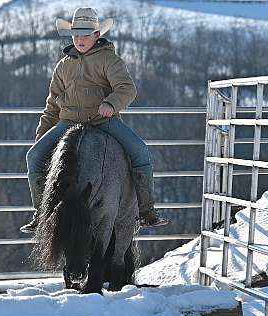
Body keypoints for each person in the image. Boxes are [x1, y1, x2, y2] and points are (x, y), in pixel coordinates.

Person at [20, 7, 169, 234]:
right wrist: (42, 137)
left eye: (86, 34)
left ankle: (147, 210)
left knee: (139, 149)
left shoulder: (109, 60)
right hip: (67, 122)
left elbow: (126, 88)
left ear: (97, 35)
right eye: (76, 34)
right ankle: (42, 213)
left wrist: (111, 103)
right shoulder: (63, 66)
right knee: (34, 156)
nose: (80, 39)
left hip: (102, 121)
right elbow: (52, 104)